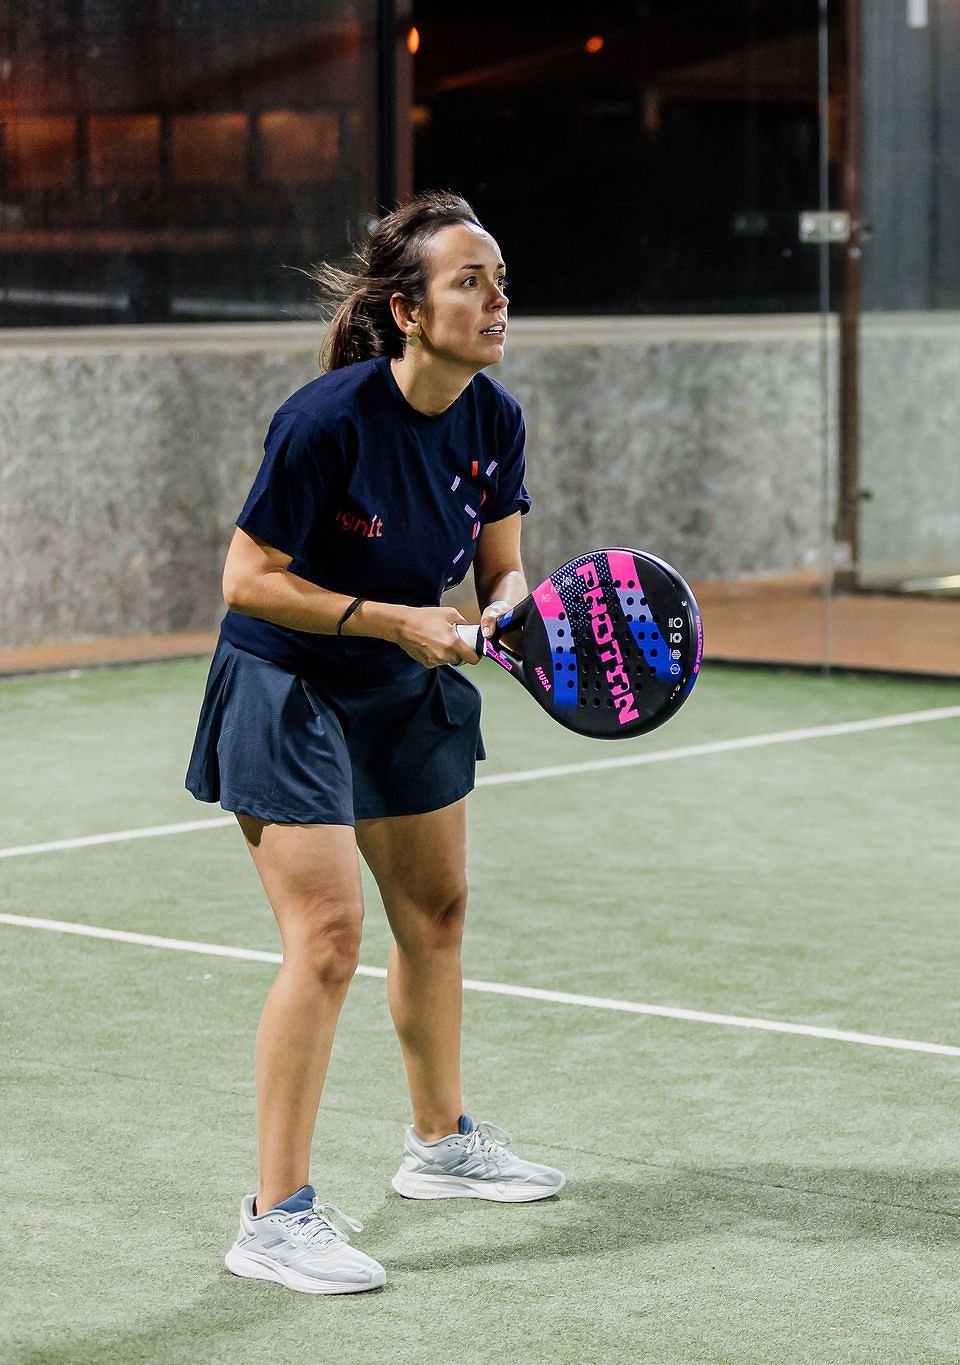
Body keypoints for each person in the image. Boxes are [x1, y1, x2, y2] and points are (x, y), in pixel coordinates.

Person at [186, 191, 564, 1295]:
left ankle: (440, 1146)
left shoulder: (492, 417)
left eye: (498, 281)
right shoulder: (324, 421)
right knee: (330, 938)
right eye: (467, 282)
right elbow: (246, 578)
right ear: (406, 310)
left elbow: (501, 563)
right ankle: (272, 1215)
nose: (495, 298)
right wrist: (393, 620)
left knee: (437, 914)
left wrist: (501, 607)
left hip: (405, 682)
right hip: (288, 679)